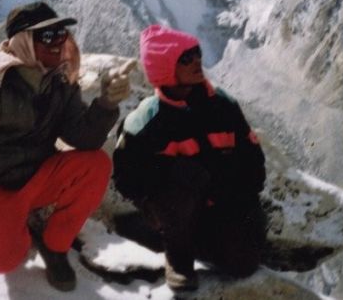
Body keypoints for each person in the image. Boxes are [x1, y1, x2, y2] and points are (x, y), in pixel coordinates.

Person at [0, 1, 133, 291]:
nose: (58, 43)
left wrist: (107, 102)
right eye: (46, 36)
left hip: (36, 180)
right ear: (22, 42)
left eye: (60, 34)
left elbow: (84, 139)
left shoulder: (59, 87)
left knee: (96, 164)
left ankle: (55, 244)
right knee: (3, 262)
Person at [112, 24, 267, 292]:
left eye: (196, 53)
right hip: (175, 206)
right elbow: (126, 179)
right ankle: (177, 256)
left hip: (220, 204)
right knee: (184, 177)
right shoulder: (146, 121)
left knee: (243, 264)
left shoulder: (223, 105)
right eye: (186, 58)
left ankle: (175, 237)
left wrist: (234, 195)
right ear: (164, 68)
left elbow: (253, 161)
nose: (197, 61)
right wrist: (169, 172)